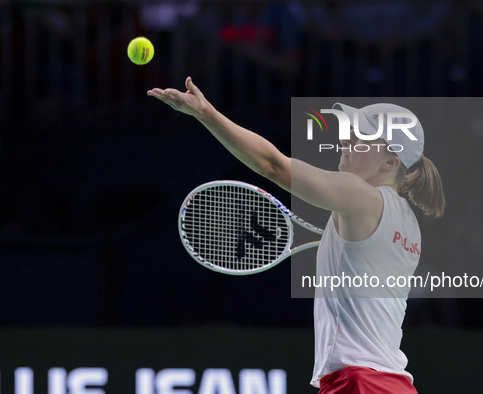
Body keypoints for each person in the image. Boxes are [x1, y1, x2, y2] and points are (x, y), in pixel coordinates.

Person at [147, 77, 445, 393]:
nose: (347, 140)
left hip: (360, 382)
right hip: (394, 384)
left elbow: (272, 165)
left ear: (391, 160)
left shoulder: (360, 195)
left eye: (363, 137)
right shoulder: (409, 223)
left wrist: (206, 113)